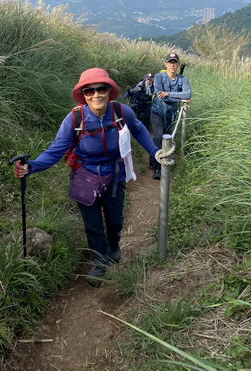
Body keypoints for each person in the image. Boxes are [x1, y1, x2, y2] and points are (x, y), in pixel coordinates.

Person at [13, 68, 174, 287]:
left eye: (101, 89)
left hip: (115, 173)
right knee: (92, 223)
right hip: (85, 175)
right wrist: (31, 167)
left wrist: (154, 152)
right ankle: (100, 261)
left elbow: (138, 130)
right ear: (84, 94)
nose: (96, 94)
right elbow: (55, 151)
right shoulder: (74, 119)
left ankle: (113, 247)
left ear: (109, 91)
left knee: (115, 219)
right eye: (89, 91)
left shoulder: (121, 112)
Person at [149, 53, 191, 180]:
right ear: (165, 64)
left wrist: (168, 93)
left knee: (167, 139)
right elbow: (160, 96)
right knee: (158, 137)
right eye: (170, 62)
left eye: (175, 62)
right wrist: (179, 99)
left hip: (172, 114)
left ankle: (162, 161)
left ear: (178, 64)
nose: (172, 64)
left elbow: (188, 94)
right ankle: (156, 166)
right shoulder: (158, 77)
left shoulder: (183, 79)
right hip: (157, 112)